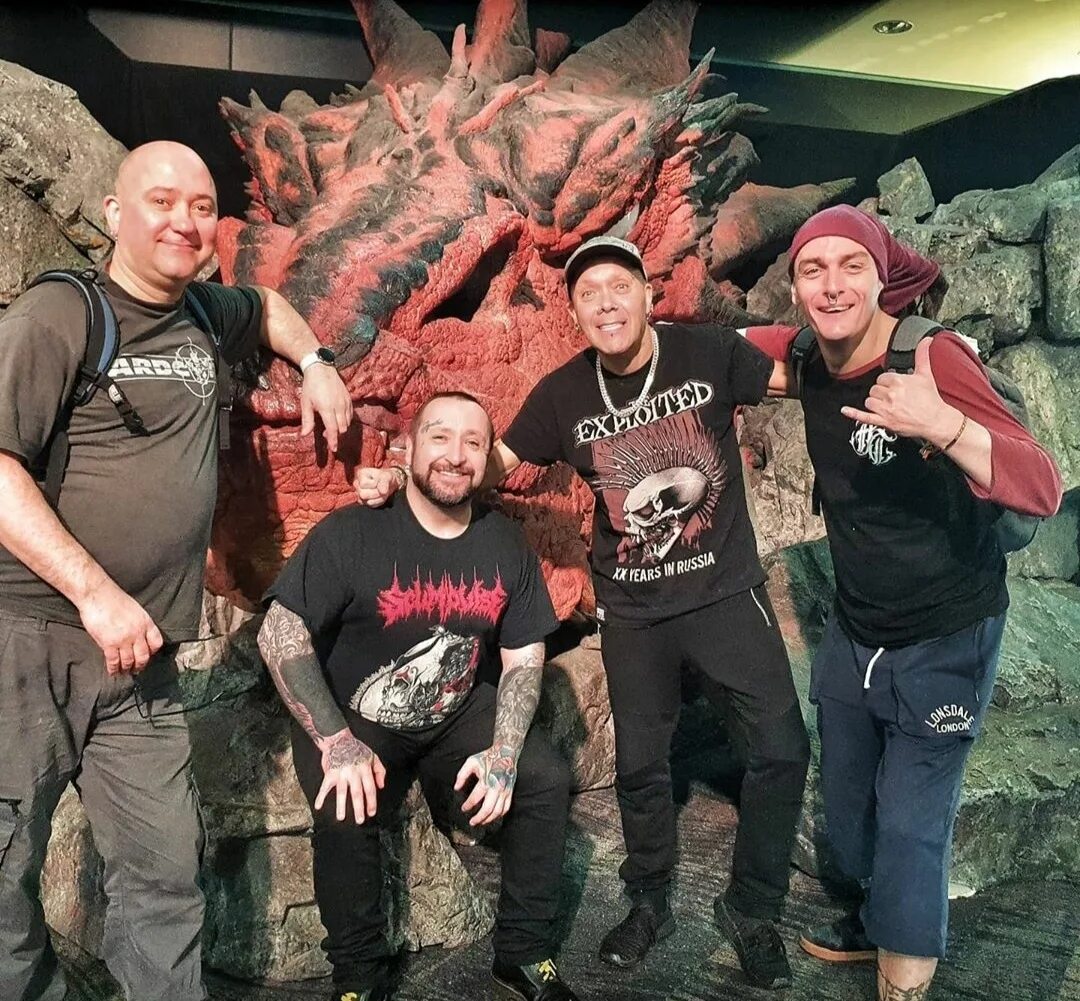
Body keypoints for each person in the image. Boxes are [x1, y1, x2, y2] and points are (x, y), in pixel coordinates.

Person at [356, 237, 812, 990]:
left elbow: (804, 376)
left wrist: (909, 367)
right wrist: (406, 473)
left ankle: (752, 909)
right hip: (633, 611)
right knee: (641, 768)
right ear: (575, 312)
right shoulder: (564, 393)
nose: (606, 303)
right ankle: (648, 900)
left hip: (726, 594)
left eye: (619, 286)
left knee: (783, 750)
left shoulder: (706, 351)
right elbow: (493, 465)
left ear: (646, 295)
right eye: (589, 293)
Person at [0, 140, 353, 1001]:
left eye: (200, 207)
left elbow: (269, 307)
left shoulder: (203, 311)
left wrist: (316, 366)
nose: (183, 223)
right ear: (114, 214)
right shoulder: (60, 313)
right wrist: (95, 594)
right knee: (5, 863)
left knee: (164, 867)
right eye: (160, 202)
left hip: (144, 659)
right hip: (31, 640)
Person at [742, 205, 1063, 1001]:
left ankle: (905, 975)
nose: (832, 284)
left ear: (881, 275)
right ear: (795, 287)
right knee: (850, 811)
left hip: (948, 632)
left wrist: (943, 423)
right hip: (859, 630)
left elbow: (1041, 484)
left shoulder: (932, 357)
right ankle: (874, 919)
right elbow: (710, 356)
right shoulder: (809, 356)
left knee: (914, 824)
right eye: (813, 269)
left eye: (851, 265)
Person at [259, 391, 580, 1001]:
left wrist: (505, 752)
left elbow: (523, 656)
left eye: (472, 443)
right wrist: (335, 741)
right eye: (440, 437)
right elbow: (280, 631)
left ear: (487, 460)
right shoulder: (352, 532)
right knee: (344, 801)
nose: (455, 455)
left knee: (543, 777)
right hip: (357, 711)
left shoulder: (505, 543)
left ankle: (524, 952)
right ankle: (358, 978)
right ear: (407, 448)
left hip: (454, 710)